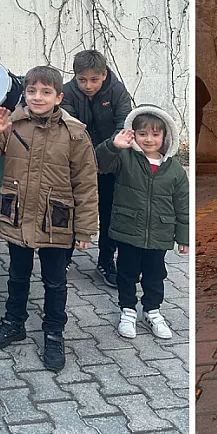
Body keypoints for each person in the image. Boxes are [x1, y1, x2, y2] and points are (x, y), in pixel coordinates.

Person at [0, 66, 99, 372]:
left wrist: (84, 228)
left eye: (45, 92)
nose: (38, 97)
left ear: (59, 97)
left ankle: (53, 333)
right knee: (17, 274)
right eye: (32, 91)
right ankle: (14, 322)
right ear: (24, 94)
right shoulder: (13, 125)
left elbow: (86, 183)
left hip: (55, 221)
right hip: (18, 216)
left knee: (55, 282)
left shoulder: (75, 133)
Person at [97, 105, 189, 340]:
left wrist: (184, 237)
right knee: (126, 273)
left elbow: (183, 205)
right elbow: (100, 164)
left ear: (165, 136)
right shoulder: (124, 159)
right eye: (143, 134)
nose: (149, 139)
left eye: (155, 134)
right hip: (129, 231)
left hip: (160, 233)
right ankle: (127, 311)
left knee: (155, 275)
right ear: (133, 134)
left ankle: (152, 310)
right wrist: (113, 146)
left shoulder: (174, 170)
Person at [60, 50, 133, 288]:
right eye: (82, 80)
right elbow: (70, 128)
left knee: (109, 212)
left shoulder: (118, 91)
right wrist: (85, 159)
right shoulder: (67, 92)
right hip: (77, 162)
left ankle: (105, 261)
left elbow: (123, 124)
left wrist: (107, 152)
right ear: (75, 76)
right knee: (71, 209)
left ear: (105, 74)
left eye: (94, 80)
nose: (88, 85)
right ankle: (64, 257)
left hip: (111, 161)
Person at [196, 75, 211, 146]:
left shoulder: (197, 81)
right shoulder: (196, 80)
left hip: (197, 114)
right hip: (197, 113)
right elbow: (207, 98)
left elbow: (207, 98)